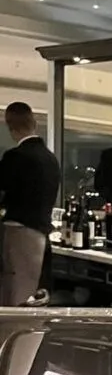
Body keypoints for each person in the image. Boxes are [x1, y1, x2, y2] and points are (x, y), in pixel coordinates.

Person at [0, 102, 61, 306]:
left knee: (15, 294)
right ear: (34, 123)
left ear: (10, 126)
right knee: (33, 296)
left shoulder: (15, 157)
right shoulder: (51, 159)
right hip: (41, 235)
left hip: (18, 233)